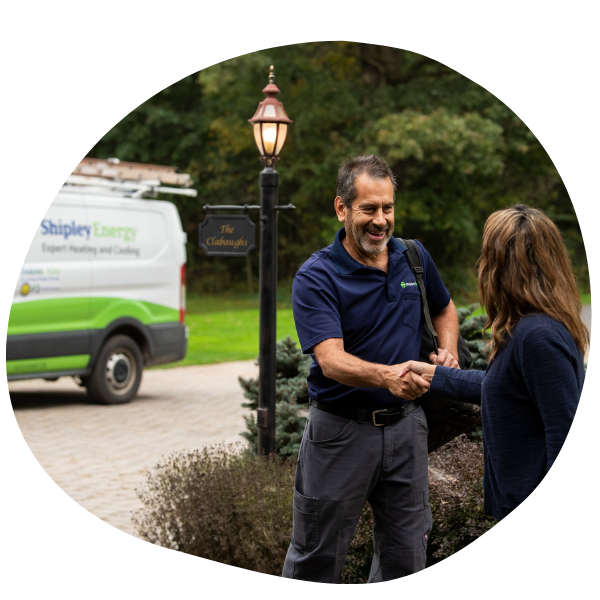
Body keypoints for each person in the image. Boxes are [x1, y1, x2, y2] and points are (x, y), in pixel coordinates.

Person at [281, 155, 460, 583]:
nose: (381, 221)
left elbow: (444, 307)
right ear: (342, 209)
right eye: (368, 209)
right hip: (341, 433)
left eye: (388, 208)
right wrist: (387, 377)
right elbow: (331, 359)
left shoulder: (412, 257)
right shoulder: (317, 276)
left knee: (406, 557)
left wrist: (448, 351)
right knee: (316, 558)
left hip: (408, 430)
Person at [399, 204, 588, 521]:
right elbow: (507, 389)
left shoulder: (538, 336)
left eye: (487, 255)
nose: (481, 266)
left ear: (502, 267)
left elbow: (566, 440)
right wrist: (437, 376)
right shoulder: (525, 328)